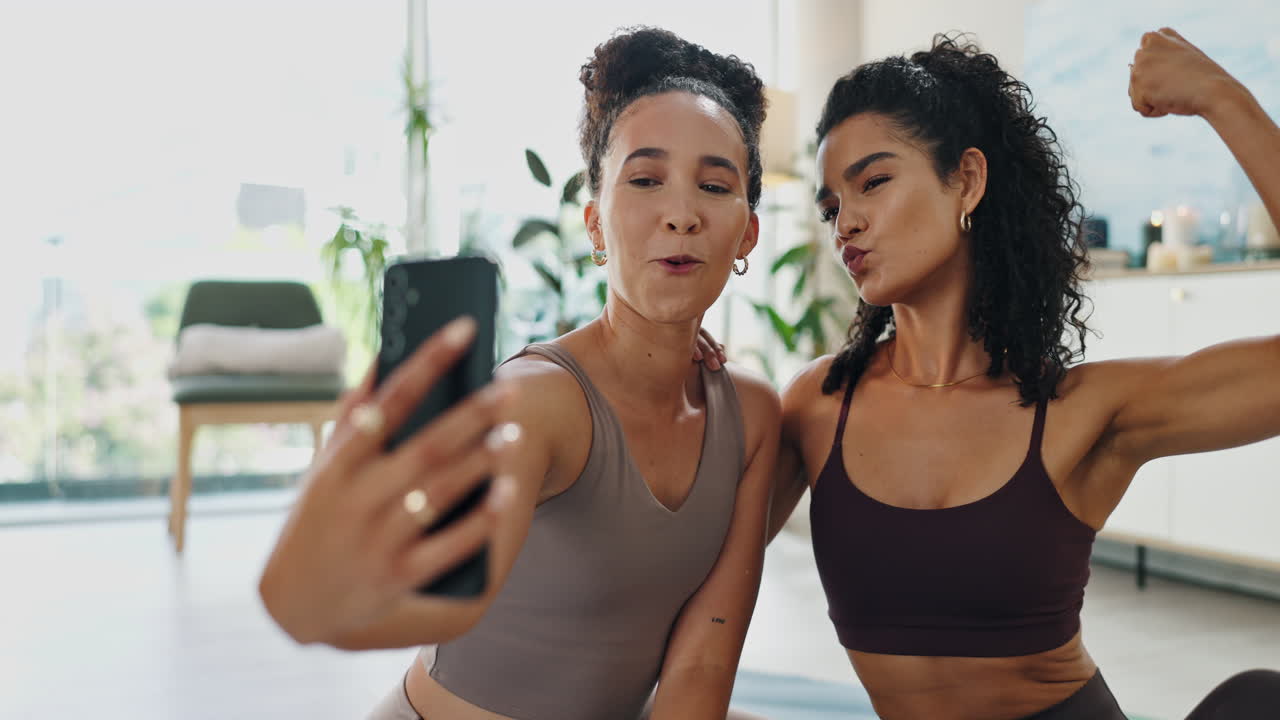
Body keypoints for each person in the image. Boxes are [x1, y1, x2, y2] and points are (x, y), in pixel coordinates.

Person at [260, 26, 780, 720]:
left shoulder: (751, 413)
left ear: (748, 232)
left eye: (714, 186)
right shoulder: (537, 402)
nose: (681, 215)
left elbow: (703, 665)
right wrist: (307, 594)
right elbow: (432, 607)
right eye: (645, 180)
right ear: (595, 225)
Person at [764, 28, 1280, 719]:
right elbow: (689, 569)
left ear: (967, 181)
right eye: (831, 207)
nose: (845, 224)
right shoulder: (821, 403)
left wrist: (1224, 99)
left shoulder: (1080, 412)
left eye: (874, 183)